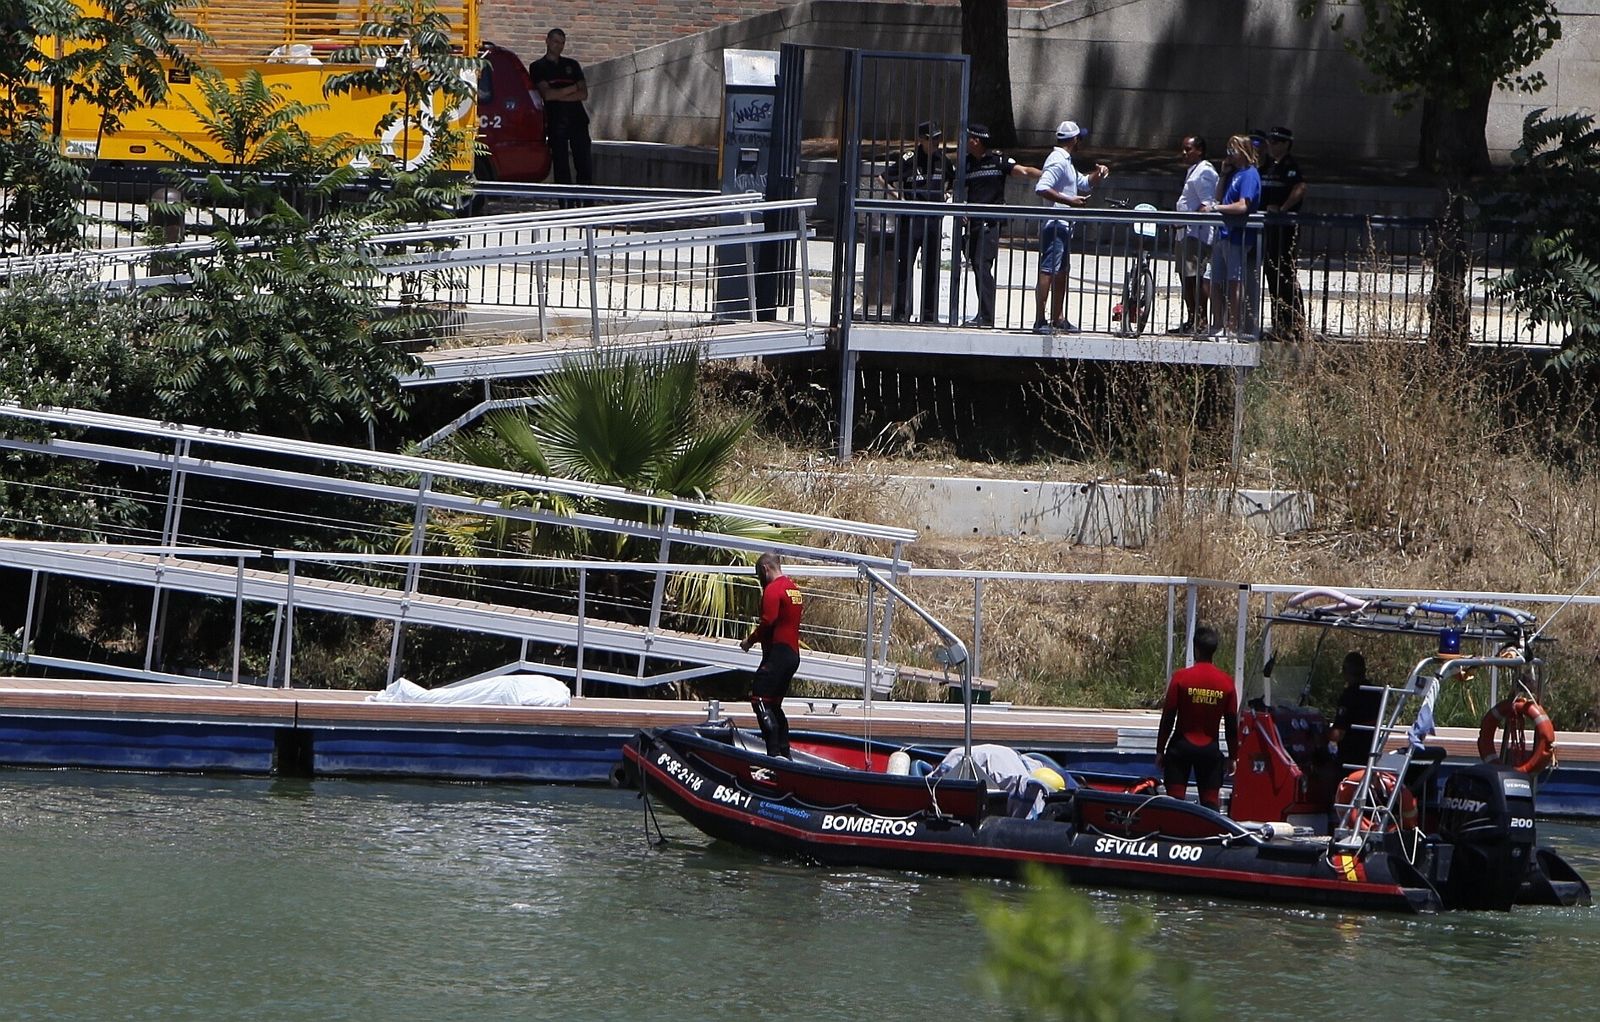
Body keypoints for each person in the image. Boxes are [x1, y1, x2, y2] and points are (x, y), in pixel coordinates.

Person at [961, 123, 1042, 328]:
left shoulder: (997, 160)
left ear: (977, 140)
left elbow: (1023, 171)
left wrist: (1047, 177)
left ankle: (986, 316)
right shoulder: (966, 163)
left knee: (983, 266)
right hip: (972, 225)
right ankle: (983, 313)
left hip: (990, 223)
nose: (966, 141)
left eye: (969, 137)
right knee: (978, 267)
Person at [1032, 120, 1108, 335]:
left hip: (1064, 226)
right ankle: (1040, 320)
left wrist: (1098, 174)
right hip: (1055, 224)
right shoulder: (1057, 161)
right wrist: (1069, 201)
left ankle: (1058, 318)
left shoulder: (1066, 161)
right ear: (1074, 140)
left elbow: (1083, 183)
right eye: (1080, 138)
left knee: (1061, 271)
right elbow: (1042, 187)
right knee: (1048, 269)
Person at [1155, 625, 1238, 812]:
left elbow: (1168, 716)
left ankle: (1173, 835)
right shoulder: (1226, 683)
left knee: (1174, 805)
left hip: (1180, 748)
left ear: (1196, 649)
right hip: (1209, 751)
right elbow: (1232, 723)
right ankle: (1210, 836)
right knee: (1210, 804)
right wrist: (1234, 756)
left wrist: (1160, 749)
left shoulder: (1181, 678)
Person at [879, 122, 955, 323]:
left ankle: (929, 315)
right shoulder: (909, 159)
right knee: (905, 266)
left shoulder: (943, 161)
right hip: (911, 219)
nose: (935, 143)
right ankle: (901, 313)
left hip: (933, 219)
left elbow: (952, 181)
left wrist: (946, 194)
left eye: (938, 138)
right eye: (931, 139)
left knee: (931, 268)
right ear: (921, 139)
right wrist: (899, 199)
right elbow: (883, 178)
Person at [740, 553, 804, 759]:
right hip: (792, 654)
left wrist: (750, 641)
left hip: (778, 653)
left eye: (760, 573)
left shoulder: (773, 590)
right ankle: (785, 754)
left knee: (759, 699)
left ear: (766, 569)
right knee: (774, 704)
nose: (760, 578)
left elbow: (768, 621)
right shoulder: (793, 589)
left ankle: (773, 755)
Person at [1201, 134, 1261, 337]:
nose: (1229, 155)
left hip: (1238, 236)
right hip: (1222, 234)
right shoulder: (1234, 174)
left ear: (1243, 151)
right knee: (1211, 279)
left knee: (1234, 281)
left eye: (1233, 151)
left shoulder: (1250, 175)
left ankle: (1233, 327)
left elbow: (1243, 205)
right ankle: (1218, 323)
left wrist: (1218, 208)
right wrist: (1224, 174)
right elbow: (1218, 196)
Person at [1259, 126, 1308, 339]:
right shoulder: (1269, 166)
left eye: (1276, 142)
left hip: (1285, 228)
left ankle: (1294, 324)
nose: (1271, 145)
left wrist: (1283, 208)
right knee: (1272, 273)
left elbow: (1300, 188)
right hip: (1270, 228)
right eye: (1269, 141)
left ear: (1286, 144)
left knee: (1285, 274)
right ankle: (1279, 323)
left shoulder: (1289, 166)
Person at [529, 28, 593, 186]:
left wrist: (559, 94)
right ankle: (566, 205)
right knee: (561, 166)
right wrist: (572, 89)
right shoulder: (538, 66)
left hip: (578, 120)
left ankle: (586, 203)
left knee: (584, 164)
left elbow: (583, 93)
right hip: (557, 122)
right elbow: (548, 95)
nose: (559, 46)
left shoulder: (572, 64)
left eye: (562, 43)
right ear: (548, 41)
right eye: (556, 42)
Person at [1170, 134, 1217, 335]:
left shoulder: (1204, 172)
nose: (1184, 153)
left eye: (1188, 149)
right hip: (1184, 233)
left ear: (1200, 150)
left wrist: (1189, 220)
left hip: (1195, 234)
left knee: (1195, 278)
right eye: (1183, 148)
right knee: (1186, 278)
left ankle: (1202, 321)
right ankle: (1192, 319)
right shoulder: (1193, 171)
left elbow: (1208, 204)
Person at [1327, 651, 1383, 769]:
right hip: (1370, 755)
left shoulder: (1349, 695)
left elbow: (1338, 733)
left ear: (1345, 670)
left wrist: (1321, 735)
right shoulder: (1376, 693)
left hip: (1350, 757)